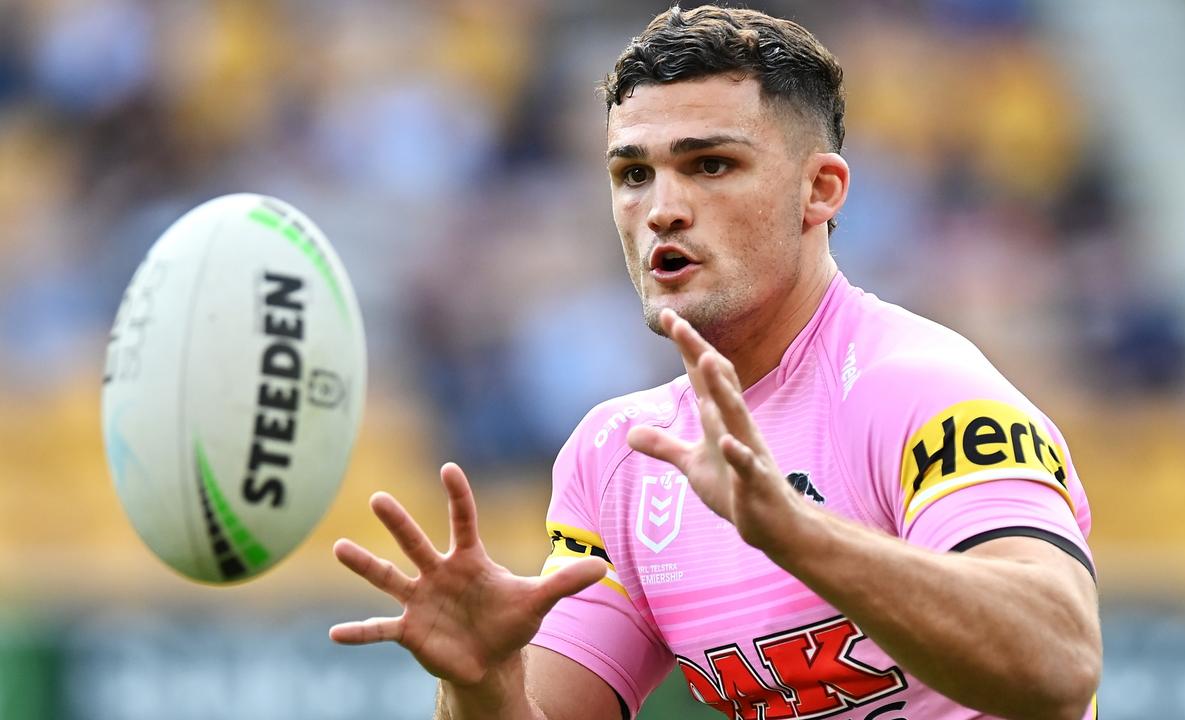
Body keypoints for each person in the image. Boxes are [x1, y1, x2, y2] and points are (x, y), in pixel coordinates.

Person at [329, 5, 1102, 719]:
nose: (661, 207)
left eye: (709, 165)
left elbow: (1061, 662)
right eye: (633, 173)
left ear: (820, 190)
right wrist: (481, 680)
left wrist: (797, 533)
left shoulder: (922, 389)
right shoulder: (622, 459)